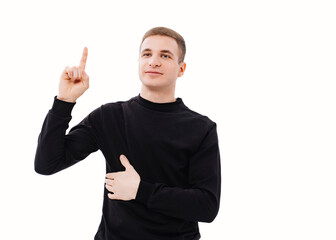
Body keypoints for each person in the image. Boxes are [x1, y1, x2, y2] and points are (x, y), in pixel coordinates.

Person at [34, 26, 221, 240]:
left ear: (181, 68)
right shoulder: (109, 117)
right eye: (147, 54)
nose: (153, 61)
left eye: (165, 55)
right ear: (139, 62)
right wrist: (64, 102)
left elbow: (207, 206)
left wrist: (140, 190)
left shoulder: (201, 128)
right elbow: (46, 164)